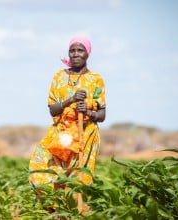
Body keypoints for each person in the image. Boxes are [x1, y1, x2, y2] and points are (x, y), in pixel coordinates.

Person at [28, 36, 106, 212]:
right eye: (72, 50)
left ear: (88, 53)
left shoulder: (96, 79)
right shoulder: (59, 76)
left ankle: (74, 213)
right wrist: (70, 100)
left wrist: (87, 111)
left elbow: (102, 115)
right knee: (39, 166)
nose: (76, 54)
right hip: (61, 132)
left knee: (77, 178)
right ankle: (54, 210)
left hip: (85, 134)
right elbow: (52, 110)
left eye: (80, 50)